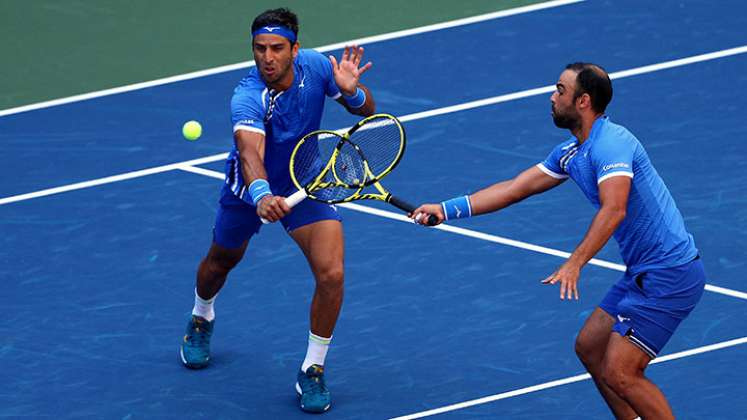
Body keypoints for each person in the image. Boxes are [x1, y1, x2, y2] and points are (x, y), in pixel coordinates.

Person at [412, 63, 705, 420]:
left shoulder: (611, 144)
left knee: (621, 371)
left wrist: (575, 262)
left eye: (560, 90)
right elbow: (515, 189)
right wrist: (446, 209)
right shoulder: (572, 152)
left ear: (583, 101)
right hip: (644, 273)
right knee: (591, 348)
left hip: (670, 274)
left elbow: (615, 210)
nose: (552, 97)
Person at [179, 8, 375, 414]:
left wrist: (352, 92)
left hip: (306, 183)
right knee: (220, 262)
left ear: (294, 49)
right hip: (250, 190)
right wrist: (262, 195)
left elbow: (368, 112)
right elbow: (251, 153)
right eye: (259, 48)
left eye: (276, 48)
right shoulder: (247, 95)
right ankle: (201, 316)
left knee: (332, 274)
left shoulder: (319, 67)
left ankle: (313, 369)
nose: (267, 57)